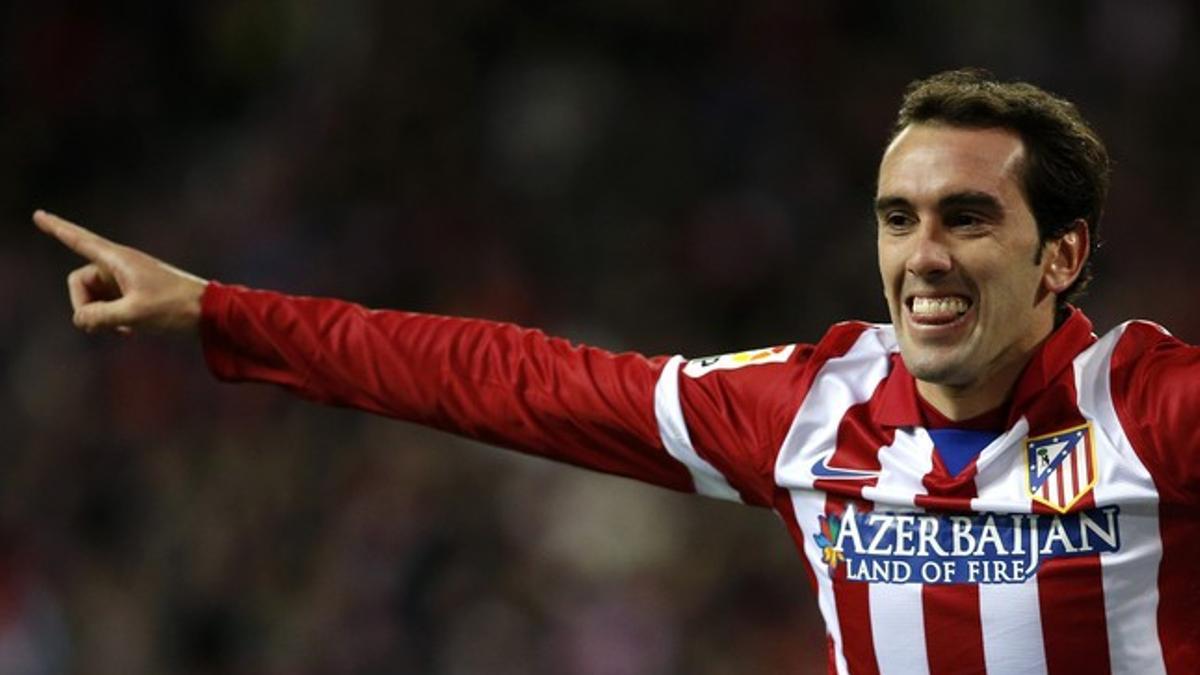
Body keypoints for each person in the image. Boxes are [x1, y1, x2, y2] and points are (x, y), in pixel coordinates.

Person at [36, 69, 1199, 674]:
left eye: (967, 218)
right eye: (898, 218)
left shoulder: (1156, 413)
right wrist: (216, 310)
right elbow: (500, 380)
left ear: (1063, 255)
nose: (923, 256)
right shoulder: (809, 412)